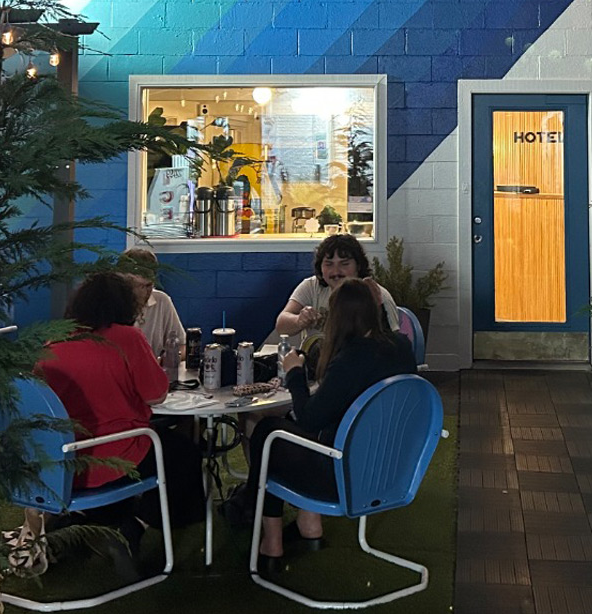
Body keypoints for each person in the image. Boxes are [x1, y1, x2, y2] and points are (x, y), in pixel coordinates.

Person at [225, 278, 417, 571]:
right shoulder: (401, 347)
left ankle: (270, 541)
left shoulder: (351, 359)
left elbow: (309, 417)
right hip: (389, 468)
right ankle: (307, 526)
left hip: (342, 474)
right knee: (281, 434)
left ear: (338, 317)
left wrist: (294, 374)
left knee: (268, 431)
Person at [36, 272, 204, 570]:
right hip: (118, 456)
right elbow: (157, 395)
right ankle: (135, 527)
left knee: (164, 448)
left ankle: (89, 520)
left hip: (63, 464)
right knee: (185, 453)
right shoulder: (126, 338)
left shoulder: (53, 343)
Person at [275, 234, 400, 350]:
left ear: (359, 266)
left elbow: (392, 347)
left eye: (344, 264)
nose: (336, 271)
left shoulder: (377, 295)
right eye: (329, 264)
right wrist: (299, 320)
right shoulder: (311, 286)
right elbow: (281, 325)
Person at [119, 247, 187, 369]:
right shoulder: (108, 304)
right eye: (135, 286)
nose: (142, 293)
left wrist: (169, 358)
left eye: (148, 285)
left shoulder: (162, 301)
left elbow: (182, 345)